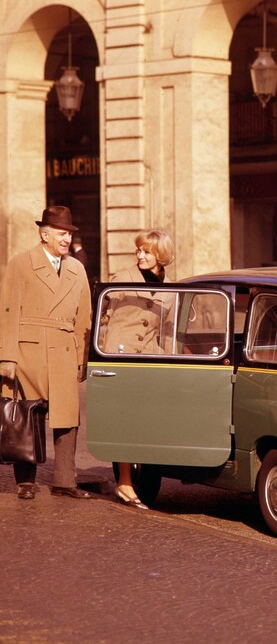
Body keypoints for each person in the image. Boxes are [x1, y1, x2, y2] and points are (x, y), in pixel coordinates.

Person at [0, 206, 92, 500]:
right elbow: (8, 311)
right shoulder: (21, 263)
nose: (67, 239)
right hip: (29, 350)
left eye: (69, 234)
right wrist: (7, 356)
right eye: (62, 233)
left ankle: (65, 481)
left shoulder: (77, 268)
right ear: (45, 233)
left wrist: (82, 360)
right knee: (27, 417)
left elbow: (84, 318)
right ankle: (25, 481)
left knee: (67, 419)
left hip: (64, 349)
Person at [103, 228, 175, 509]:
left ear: (160, 255)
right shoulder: (122, 279)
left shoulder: (172, 287)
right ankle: (124, 482)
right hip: (121, 358)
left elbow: (167, 331)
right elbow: (105, 318)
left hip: (149, 360)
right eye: (138, 250)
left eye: (146, 251)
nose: (140, 255)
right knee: (126, 420)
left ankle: (140, 479)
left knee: (147, 420)